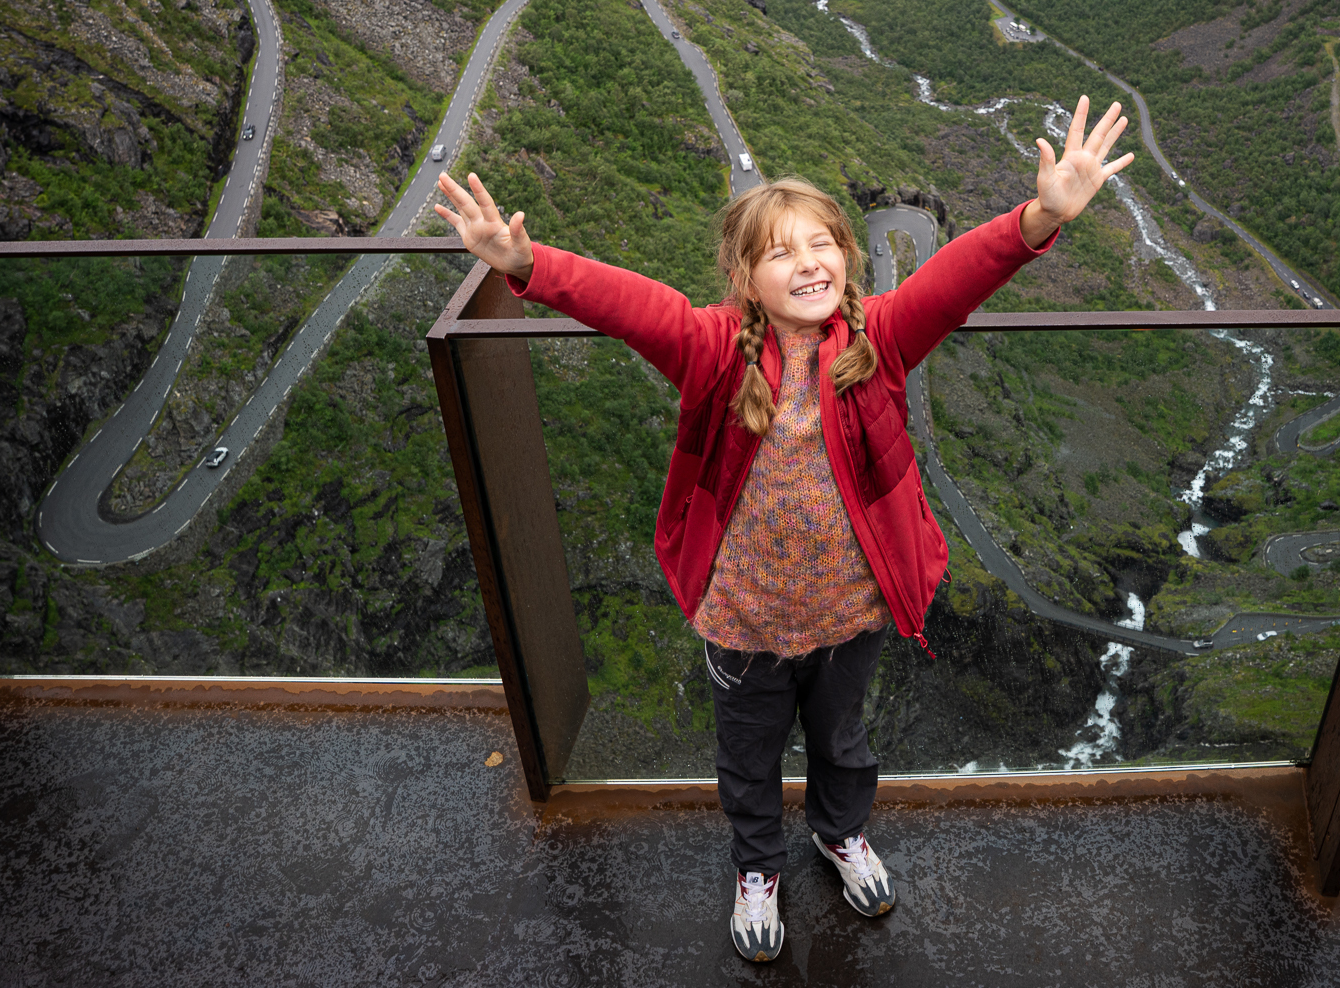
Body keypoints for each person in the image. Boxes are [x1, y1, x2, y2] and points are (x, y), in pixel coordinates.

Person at [435, 95, 1134, 963]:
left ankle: (841, 834)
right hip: (745, 618)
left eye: (822, 243)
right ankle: (757, 868)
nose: (808, 264)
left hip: (851, 611)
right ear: (744, 275)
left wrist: (1040, 218)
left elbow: (957, 277)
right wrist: (525, 262)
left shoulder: (880, 337)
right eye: (780, 253)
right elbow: (627, 302)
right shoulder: (711, 347)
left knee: (844, 740)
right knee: (749, 758)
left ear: (846, 254)